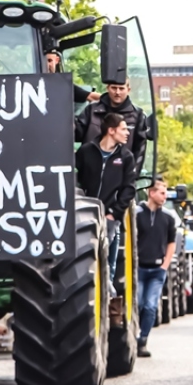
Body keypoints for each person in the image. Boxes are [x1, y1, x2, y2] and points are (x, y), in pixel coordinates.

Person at [74, 113, 135, 310]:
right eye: (124, 128)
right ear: (111, 130)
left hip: (109, 217)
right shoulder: (85, 152)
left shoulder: (126, 157)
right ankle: (96, 300)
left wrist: (114, 214)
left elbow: (129, 189)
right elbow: (74, 179)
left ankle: (108, 302)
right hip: (83, 216)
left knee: (108, 261)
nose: (127, 132)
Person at [134, 177, 177, 357]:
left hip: (156, 271)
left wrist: (165, 265)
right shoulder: (136, 214)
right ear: (151, 193)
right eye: (161, 192)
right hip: (138, 269)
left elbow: (171, 243)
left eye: (166, 192)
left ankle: (143, 340)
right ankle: (132, 336)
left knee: (151, 306)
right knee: (138, 304)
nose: (165, 196)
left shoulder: (168, 217)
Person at [76, 79, 150, 172]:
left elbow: (140, 150)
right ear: (107, 88)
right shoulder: (92, 109)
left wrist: (132, 178)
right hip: (89, 171)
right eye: (114, 88)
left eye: (121, 88)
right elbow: (77, 134)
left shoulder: (138, 114)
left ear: (128, 89)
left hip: (120, 174)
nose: (117, 92)